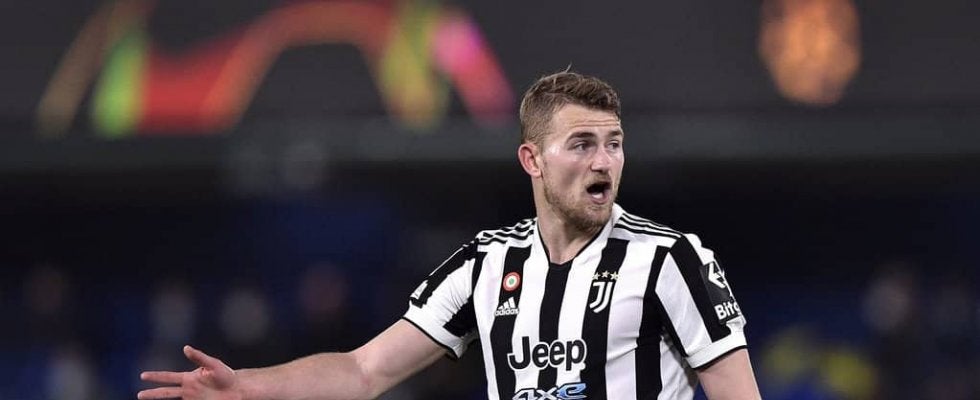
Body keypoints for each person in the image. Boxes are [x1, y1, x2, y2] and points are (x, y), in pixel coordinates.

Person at [139, 71, 761, 400]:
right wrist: (248, 388)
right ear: (532, 160)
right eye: (582, 144)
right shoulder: (485, 265)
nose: (604, 161)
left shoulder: (671, 260)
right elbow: (363, 372)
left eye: (614, 144)